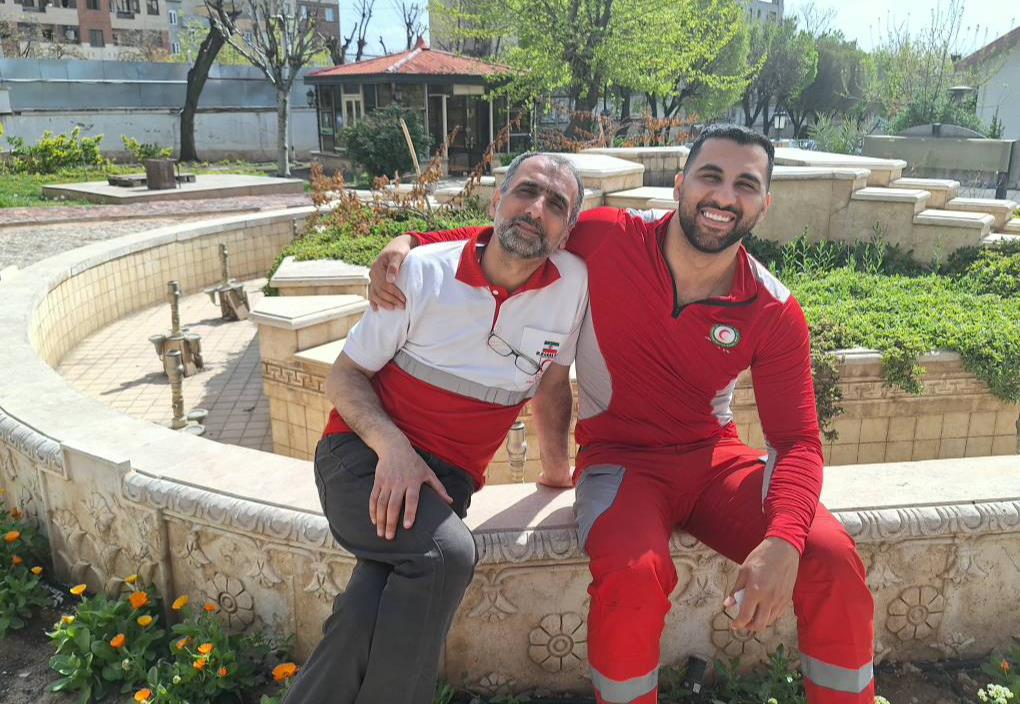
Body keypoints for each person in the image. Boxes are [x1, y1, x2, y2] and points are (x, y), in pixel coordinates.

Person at [368, 125, 876, 704]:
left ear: (764, 204)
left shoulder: (773, 308)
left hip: (714, 461)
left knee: (829, 555)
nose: (724, 196)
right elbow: (520, 235)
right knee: (632, 575)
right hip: (620, 464)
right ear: (680, 185)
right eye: (710, 176)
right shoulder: (612, 239)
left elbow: (797, 441)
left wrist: (784, 541)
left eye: (745, 184)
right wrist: (410, 240)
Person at [284, 153, 590, 704]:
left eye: (555, 204)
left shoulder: (572, 286)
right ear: (497, 201)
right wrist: (394, 449)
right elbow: (343, 377)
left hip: (446, 484)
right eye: (526, 192)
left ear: (567, 231)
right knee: (446, 554)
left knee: (366, 607)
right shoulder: (421, 274)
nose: (535, 209)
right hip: (360, 457)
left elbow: (551, 387)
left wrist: (556, 472)